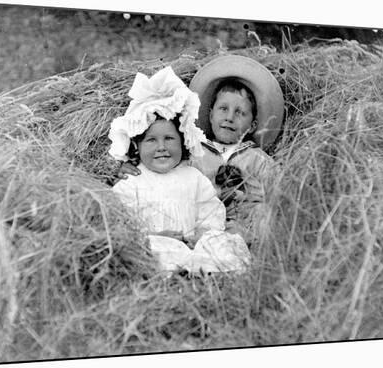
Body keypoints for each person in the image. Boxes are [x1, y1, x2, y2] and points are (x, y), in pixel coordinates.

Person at [117, 55, 285, 244]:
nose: (230, 117)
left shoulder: (257, 158)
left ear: (253, 125)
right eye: (223, 109)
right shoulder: (195, 153)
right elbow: (165, 167)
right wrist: (130, 166)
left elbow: (282, 189)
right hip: (208, 225)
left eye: (240, 113)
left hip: (249, 224)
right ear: (210, 114)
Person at [108, 66, 251, 274]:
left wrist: (202, 234)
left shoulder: (192, 176)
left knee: (222, 243)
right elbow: (121, 226)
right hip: (155, 245)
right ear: (136, 146)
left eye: (169, 139)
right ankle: (177, 275)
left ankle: (205, 274)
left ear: (182, 142)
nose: (161, 148)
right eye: (151, 141)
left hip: (192, 245)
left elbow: (209, 210)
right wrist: (156, 236)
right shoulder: (132, 181)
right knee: (155, 252)